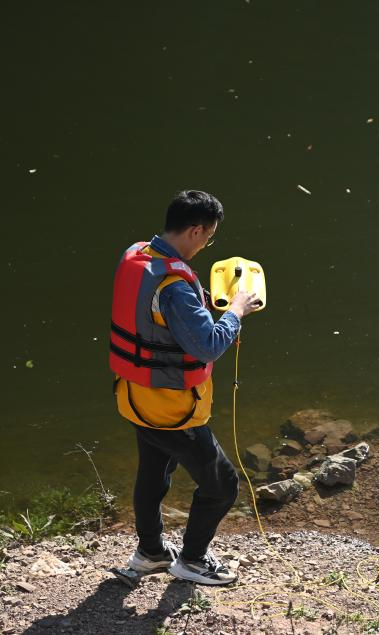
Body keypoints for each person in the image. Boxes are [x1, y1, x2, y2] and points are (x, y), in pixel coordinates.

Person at [109, 190, 262, 585]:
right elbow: (209, 344)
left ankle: (150, 553)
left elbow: (155, 311)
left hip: (134, 396)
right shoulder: (175, 287)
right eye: (208, 236)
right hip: (172, 408)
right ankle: (192, 561)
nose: (207, 243)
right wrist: (235, 311)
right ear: (196, 230)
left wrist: (199, 301)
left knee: (153, 474)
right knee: (223, 485)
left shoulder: (139, 254)